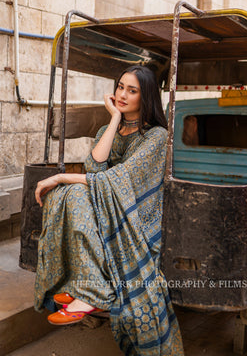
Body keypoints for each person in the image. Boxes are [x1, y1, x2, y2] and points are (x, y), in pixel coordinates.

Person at [34, 65, 184, 355]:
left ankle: (93, 293)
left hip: (136, 215)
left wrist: (60, 176)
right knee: (69, 195)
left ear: (147, 96)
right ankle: (86, 287)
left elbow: (119, 180)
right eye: (120, 87)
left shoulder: (156, 136)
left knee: (71, 188)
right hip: (107, 203)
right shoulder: (108, 129)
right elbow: (94, 168)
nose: (123, 94)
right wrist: (115, 117)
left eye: (132, 90)